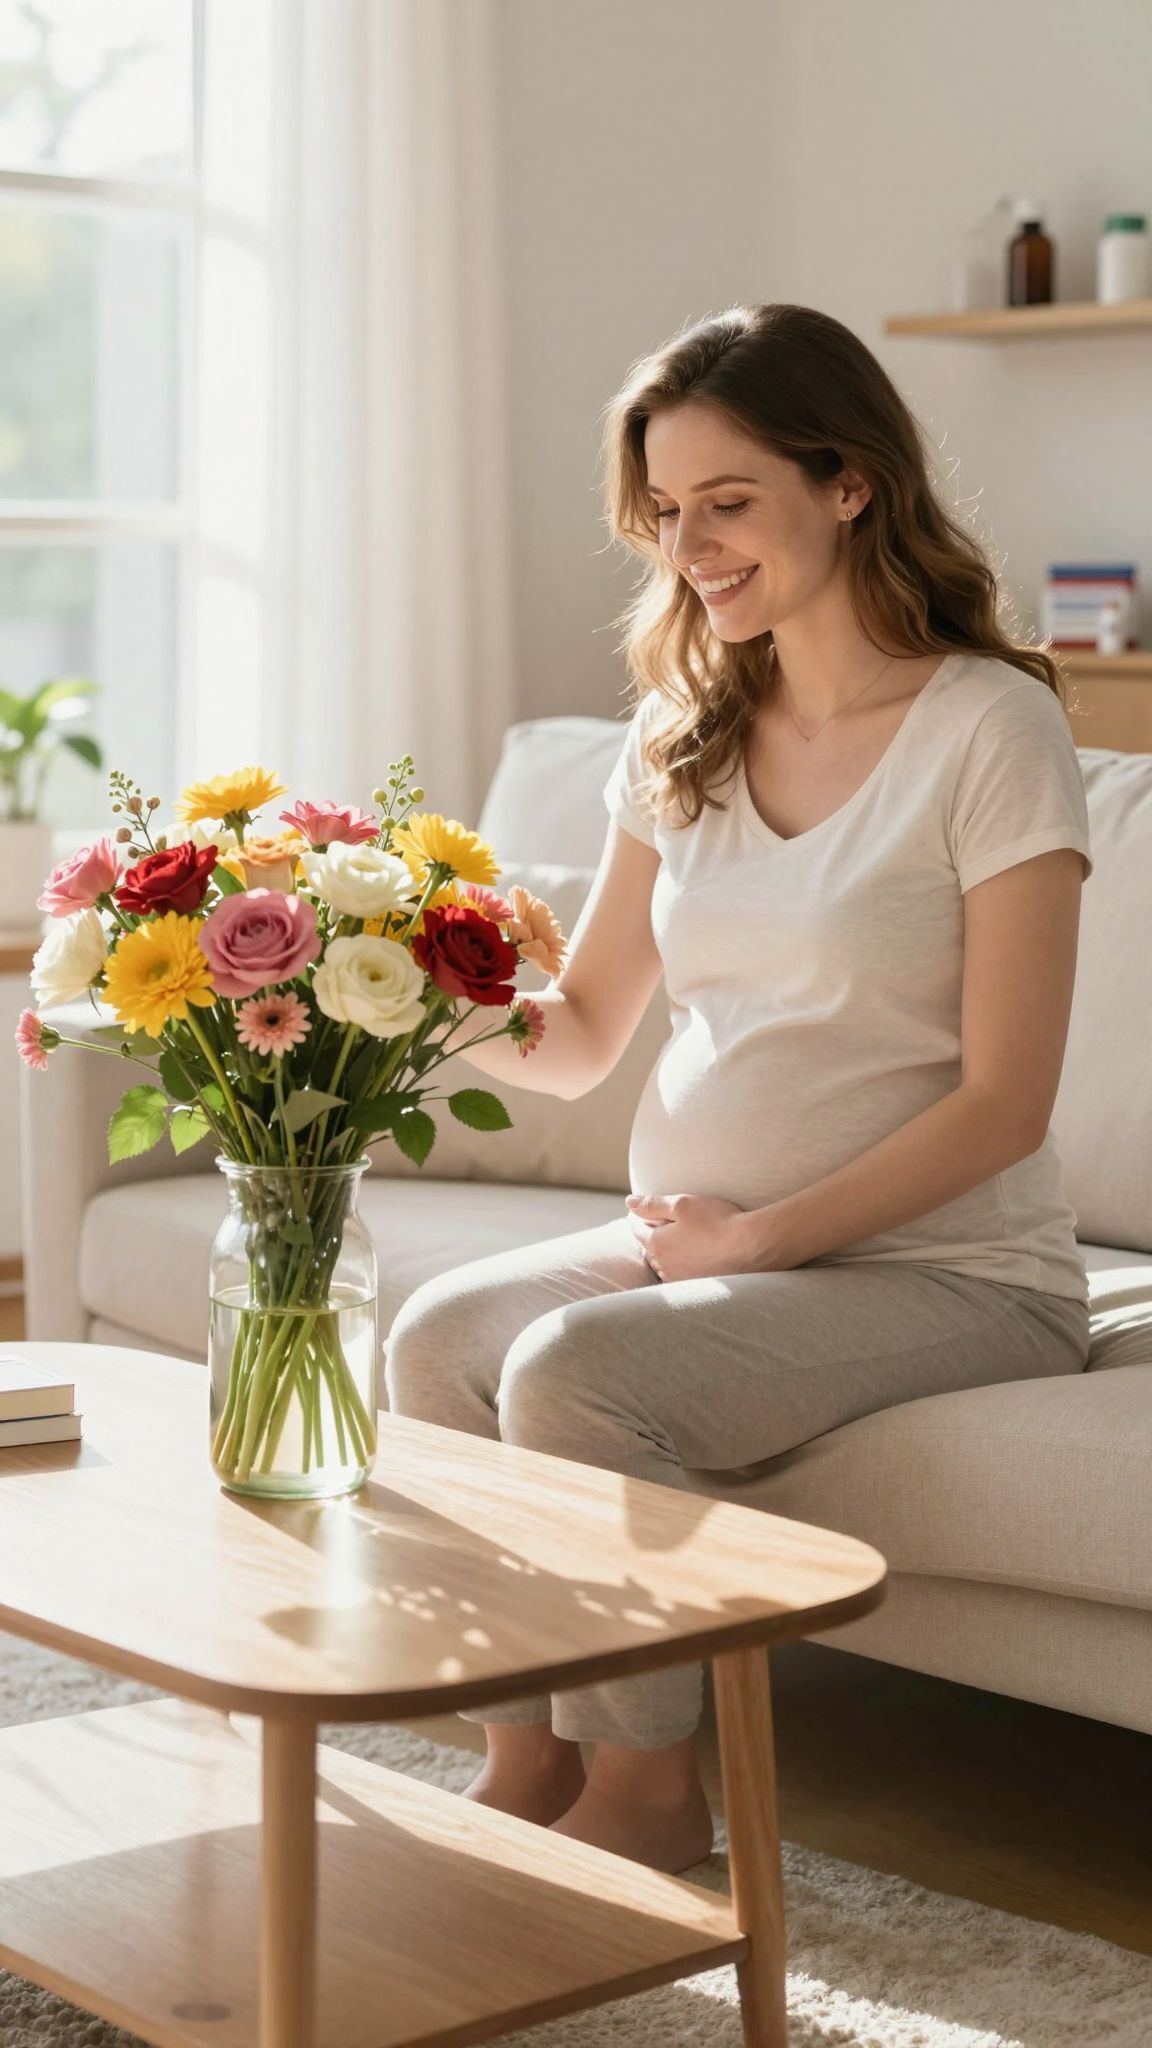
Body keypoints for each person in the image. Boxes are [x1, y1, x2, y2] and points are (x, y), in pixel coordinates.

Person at [383, 302, 1093, 1875]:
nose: (690, 546)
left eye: (728, 501)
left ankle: (650, 1799)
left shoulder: (992, 726)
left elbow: (1009, 1101)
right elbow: (576, 1036)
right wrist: (406, 973)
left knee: (574, 1372)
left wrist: (757, 1246)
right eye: (665, 511)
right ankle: (528, 1762)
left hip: (951, 1271)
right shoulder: (684, 733)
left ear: (846, 482)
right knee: (436, 1341)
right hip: (704, 1242)